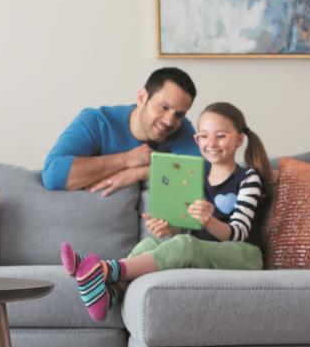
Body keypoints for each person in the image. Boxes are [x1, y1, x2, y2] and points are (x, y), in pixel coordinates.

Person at [60, 102, 274, 321]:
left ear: (239, 139)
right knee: (148, 244)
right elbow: (187, 226)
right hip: (204, 252)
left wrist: (208, 221)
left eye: (220, 136)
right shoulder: (196, 174)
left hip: (243, 256)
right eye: (204, 136)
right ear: (196, 140)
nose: (211, 143)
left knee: (186, 245)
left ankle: (104, 270)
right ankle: (111, 293)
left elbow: (239, 232)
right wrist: (169, 227)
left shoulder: (248, 178)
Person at [41, 67, 200, 196]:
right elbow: (53, 175)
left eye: (179, 114)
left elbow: (201, 173)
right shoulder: (96, 121)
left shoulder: (181, 127)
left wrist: (137, 173)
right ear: (142, 97)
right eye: (164, 107)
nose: (169, 121)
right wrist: (127, 159)